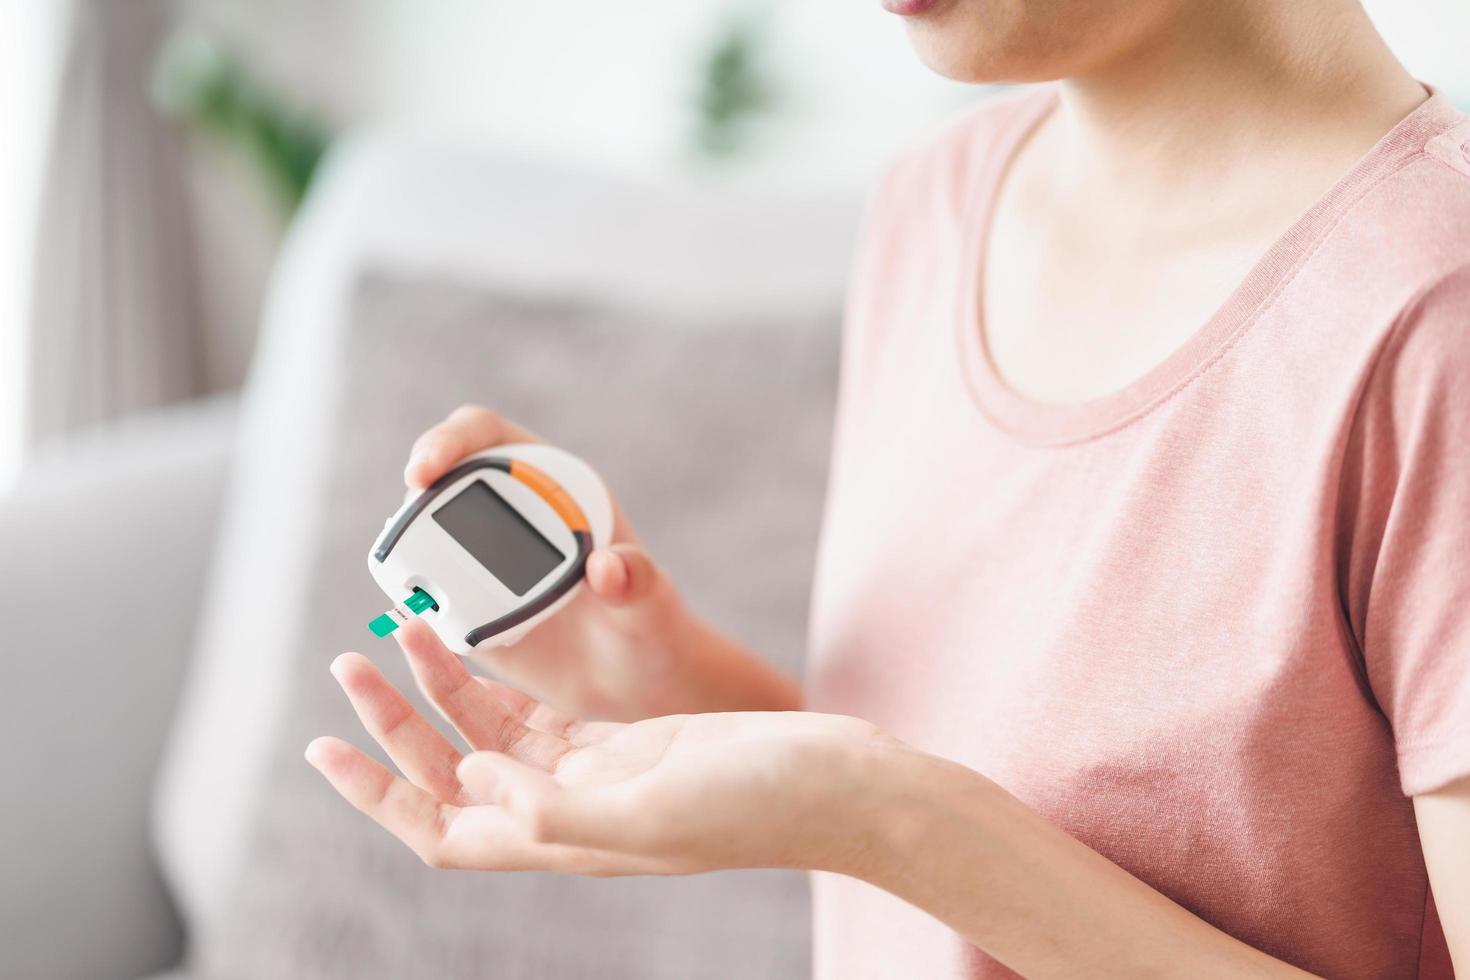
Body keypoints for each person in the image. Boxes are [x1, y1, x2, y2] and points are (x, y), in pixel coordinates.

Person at [306, 0, 1470, 974]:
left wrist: (893, 820)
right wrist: (664, 683)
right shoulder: (940, 203)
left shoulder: (1433, 317)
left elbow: (913, 810)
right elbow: (944, 768)